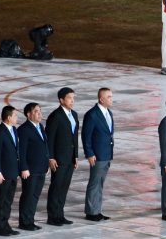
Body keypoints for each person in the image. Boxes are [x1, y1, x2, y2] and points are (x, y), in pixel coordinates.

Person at [45, 87, 79, 226]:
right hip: (59, 159)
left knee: (64, 187)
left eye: (73, 98)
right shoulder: (56, 116)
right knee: (56, 187)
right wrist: (50, 157)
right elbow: (49, 138)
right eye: (69, 98)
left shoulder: (74, 115)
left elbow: (74, 137)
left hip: (70, 158)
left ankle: (60, 214)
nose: (72, 100)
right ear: (61, 100)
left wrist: (76, 155)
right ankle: (52, 216)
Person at [82, 88, 115, 221]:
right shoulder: (92, 114)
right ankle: (91, 212)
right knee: (94, 182)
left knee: (100, 183)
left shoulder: (109, 113)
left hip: (107, 153)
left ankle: (97, 210)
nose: (112, 99)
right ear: (101, 99)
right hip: (97, 155)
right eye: (109, 97)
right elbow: (86, 136)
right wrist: (89, 153)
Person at [18, 103, 50, 231]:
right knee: (28, 195)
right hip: (30, 169)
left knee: (35, 195)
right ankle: (24, 221)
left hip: (41, 168)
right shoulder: (24, 130)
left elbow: (44, 146)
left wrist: (46, 163)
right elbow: (22, 151)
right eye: (36, 111)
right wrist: (24, 167)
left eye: (40, 111)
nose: (39, 113)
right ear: (29, 115)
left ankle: (30, 220)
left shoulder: (40, 126)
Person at [0, 106, 21, 237]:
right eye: (15, 115)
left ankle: (5, 224)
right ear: (9, 117)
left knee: (8, 200)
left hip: (13, 172)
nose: (17, 118)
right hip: (3, 173)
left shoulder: (13, 129)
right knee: (1, 200)